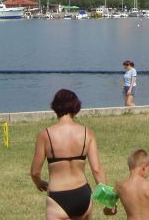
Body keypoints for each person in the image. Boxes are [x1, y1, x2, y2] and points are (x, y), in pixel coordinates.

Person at [30, 89, 112, 219]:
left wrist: (38, 182)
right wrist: (109, 201)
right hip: (83, 194)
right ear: (76, 107)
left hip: (58, 196)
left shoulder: (45, 135)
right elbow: (97, 170)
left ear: (55, 107)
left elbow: (35, 172)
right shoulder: (87, 133)